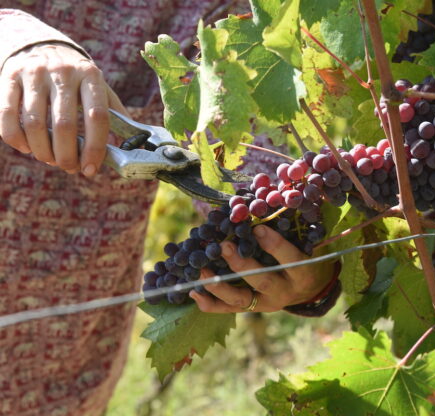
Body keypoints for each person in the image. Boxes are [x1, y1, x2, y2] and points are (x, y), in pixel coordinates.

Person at [0, 2, 337, 415]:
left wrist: (301, 256)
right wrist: (16, 36)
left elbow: (247, 144)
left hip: (56, 378)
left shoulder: (215, 11)